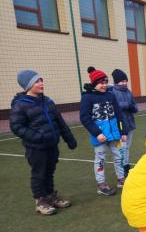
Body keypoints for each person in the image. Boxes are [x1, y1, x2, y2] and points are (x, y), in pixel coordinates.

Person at [9, 69, 77, 215]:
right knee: (39, 173)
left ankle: (51, 196)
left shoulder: (47, 101)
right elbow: (17, 127)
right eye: (37, 81)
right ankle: (40, 201)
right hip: (36, 148)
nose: (41, 83)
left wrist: (69, 138)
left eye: (41, 80)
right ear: (28, 85)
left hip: (51, 145)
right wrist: (38, 137)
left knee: (49, 171)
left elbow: (59, 121)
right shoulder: (20, 105)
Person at [80, 67, 128, 196]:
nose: (104, 85)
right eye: (101, 82)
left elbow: (119, 115)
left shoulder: (110, 95)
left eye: (106, 82)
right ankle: (101, 184)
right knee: (100, 159)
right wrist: (97, 133)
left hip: (115, 135)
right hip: (100, 137)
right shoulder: (87, 98)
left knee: (119, 157)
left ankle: (121, 179)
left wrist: (123, 132)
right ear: (94, 83)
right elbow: (85, 118)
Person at [110, 69, 138, 177]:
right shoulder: (112, 92)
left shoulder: (128, 91)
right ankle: (122, 168)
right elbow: (114, 105)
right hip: (120, 124)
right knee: (122, 147)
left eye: (126, 81)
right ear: (117, 82)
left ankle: (126, 165)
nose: (124, 83)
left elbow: (135, 106)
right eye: (122, 81)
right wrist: (126, 105)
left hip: (129, 123)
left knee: (127, 146)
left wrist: (133, 108)